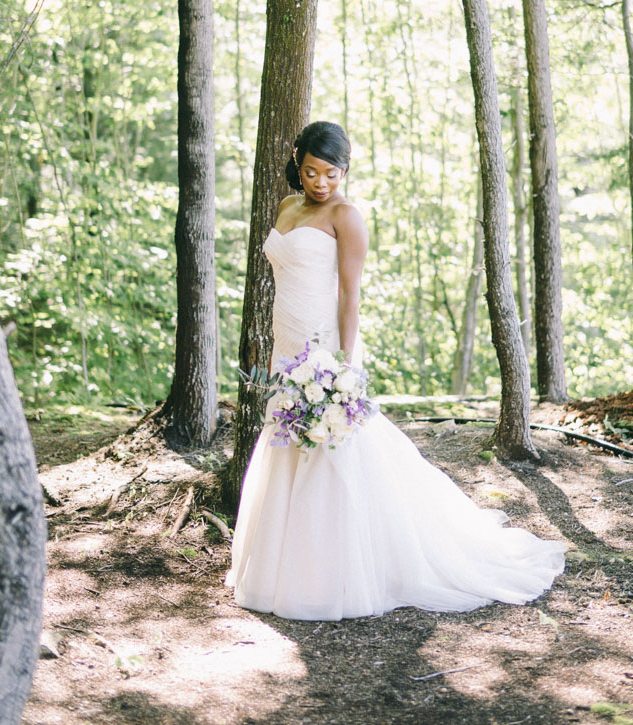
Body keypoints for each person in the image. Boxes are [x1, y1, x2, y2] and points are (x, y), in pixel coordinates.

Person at [227, 121, 565, 621]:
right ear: (298, 163)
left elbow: (349, 293)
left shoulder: (346, 216)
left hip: (322, 349)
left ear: (344, 172)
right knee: (288, 445)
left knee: (330, 448)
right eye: (312, 172)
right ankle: (278, 569)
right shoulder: (286, 206)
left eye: (332, 174)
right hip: (286, 345)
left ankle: (332, 574)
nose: (321, 183)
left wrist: (343, 364)